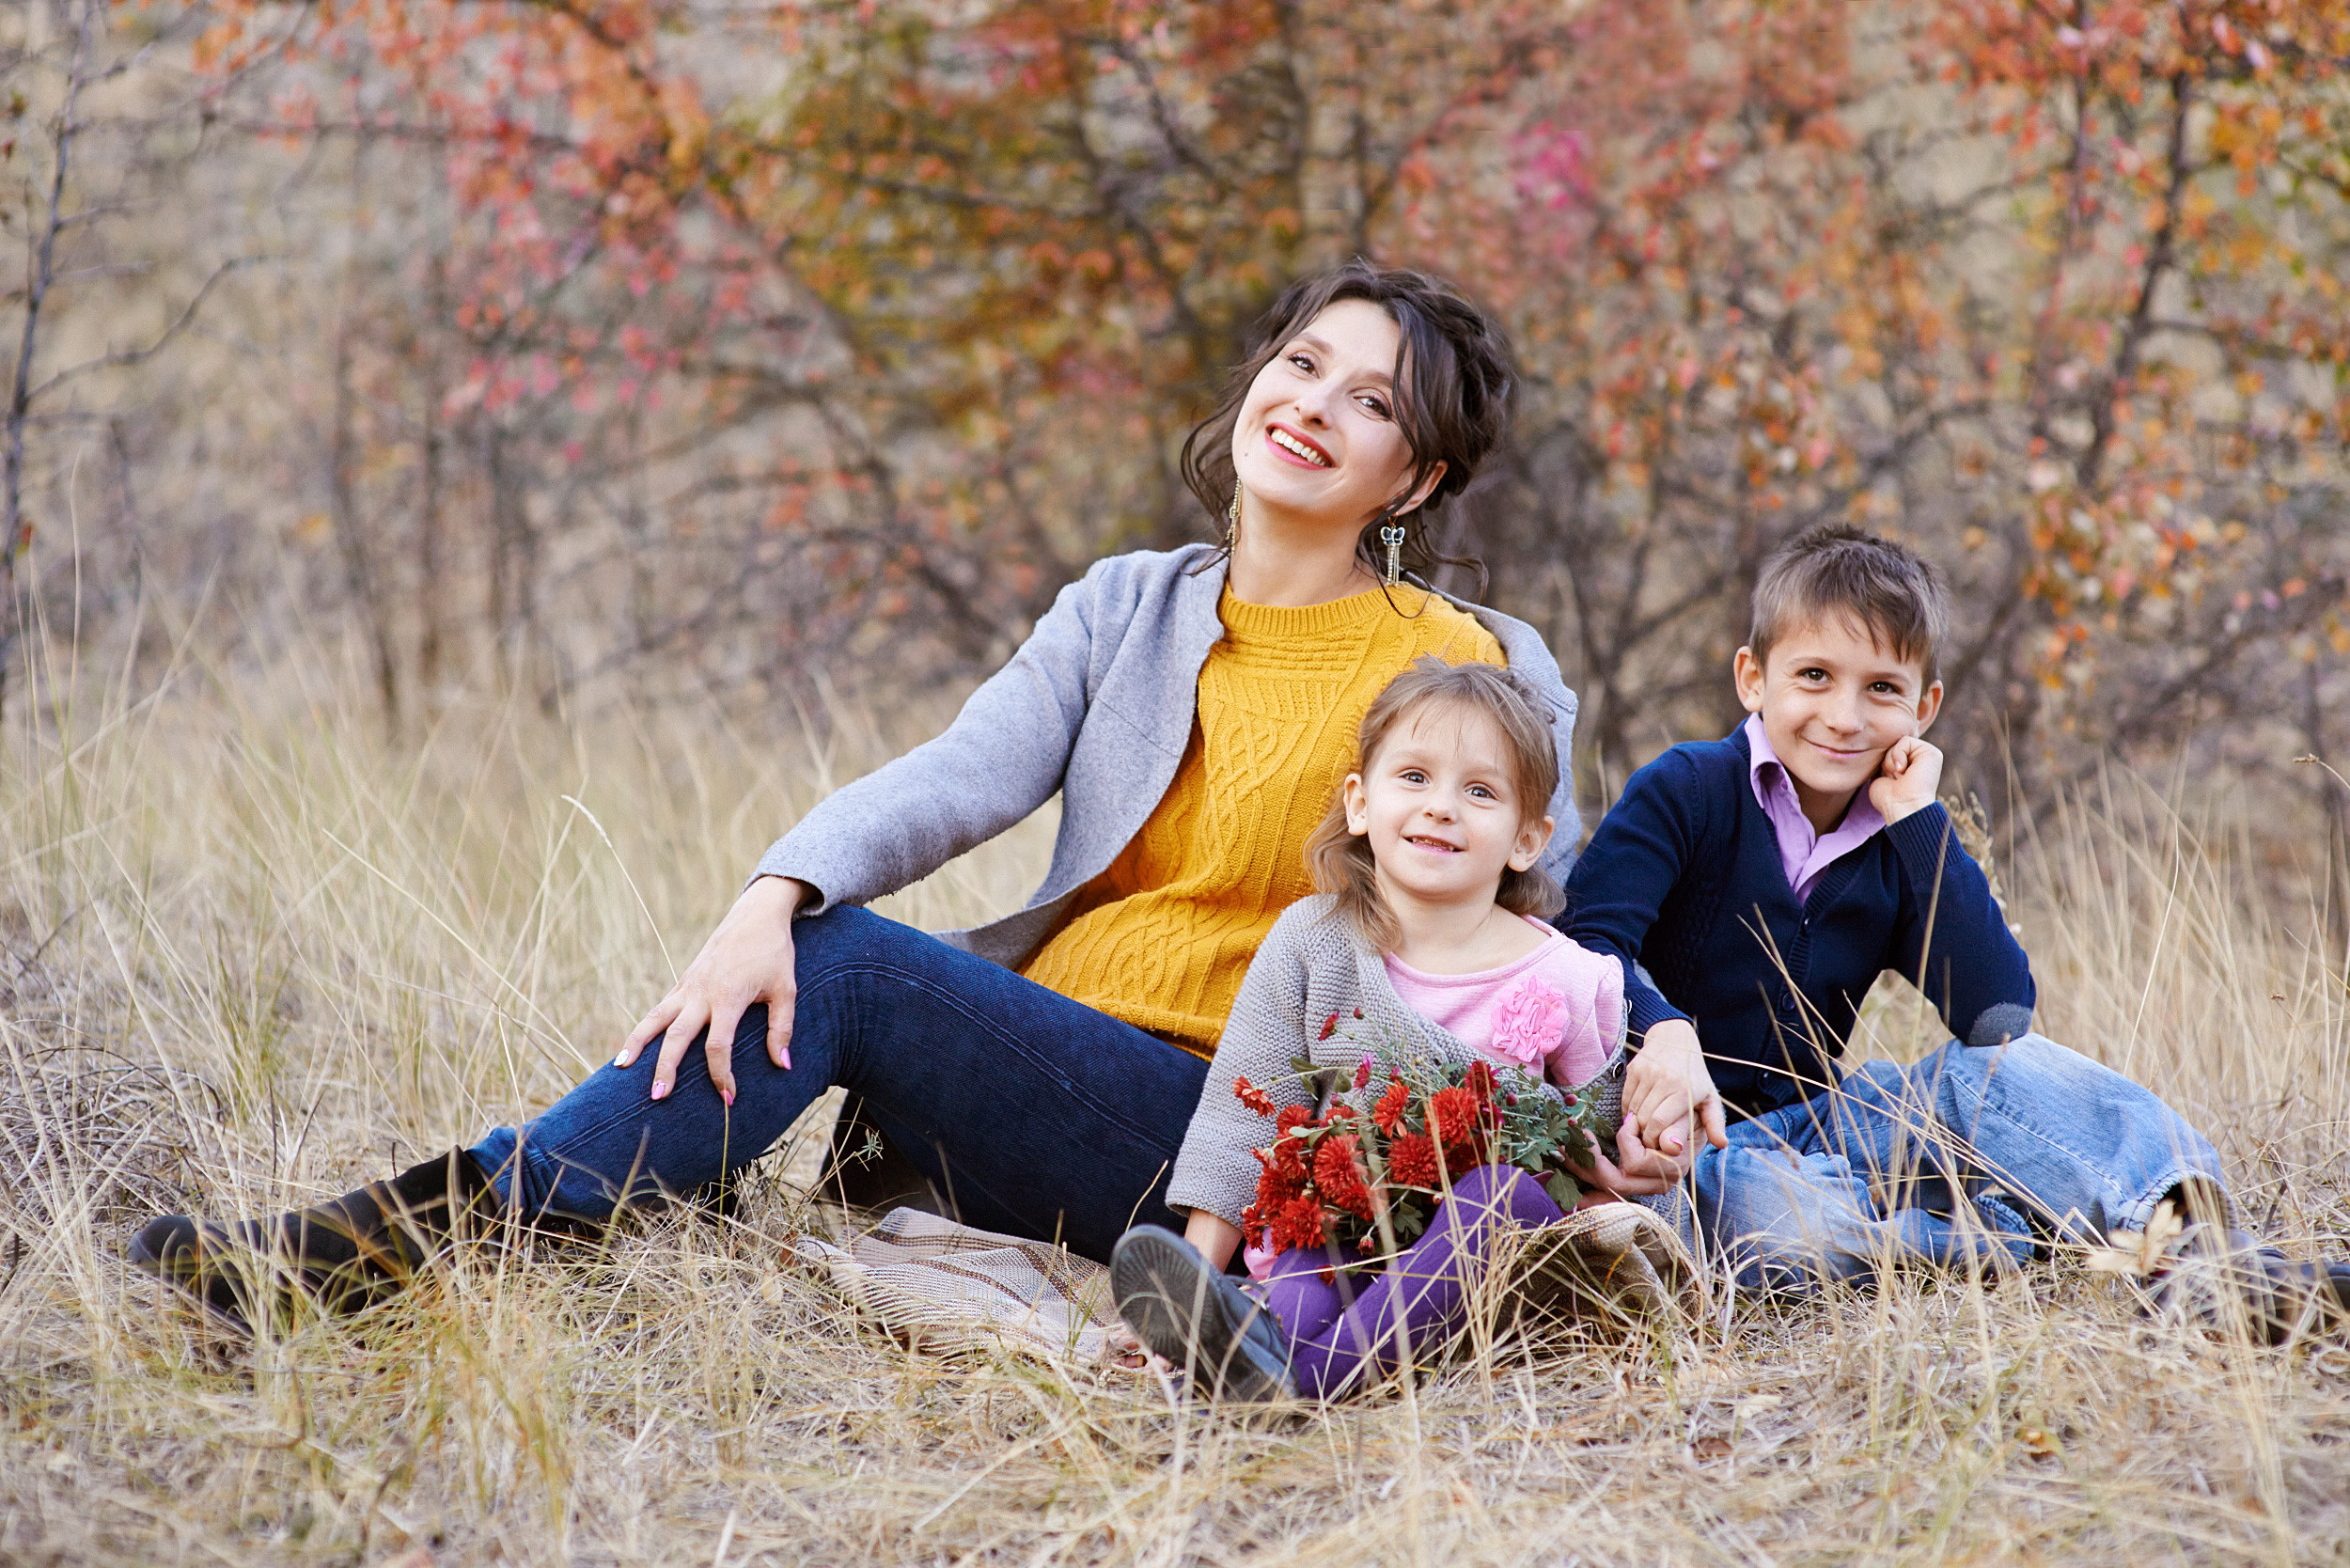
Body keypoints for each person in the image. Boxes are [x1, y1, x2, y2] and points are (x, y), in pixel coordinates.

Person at [128, 261, 1622, 1325]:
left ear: (1413, 481)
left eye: (1369, 403)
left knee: (844, 971)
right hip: (1046, 1074)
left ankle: (397, 1249)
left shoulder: (1468, 664)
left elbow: (1553, 907)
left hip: (1231, 1127)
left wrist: (1660, 1049)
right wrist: (768, 893)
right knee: (808, 950)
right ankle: (446, 1242)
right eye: (1302, 363)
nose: (1311, 406)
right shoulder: (1130, 609)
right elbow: (960, 777)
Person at [1562, 524, 2350, 1339]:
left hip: (1827, 1122)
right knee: (1782, 1225)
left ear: (1924, 706)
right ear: (1753, 678)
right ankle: (2007, 1239)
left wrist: (1921, 824)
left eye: (1881, 689)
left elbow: (1995, 1018)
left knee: (2011, 1079)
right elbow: (1586, 941)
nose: (1843, 715)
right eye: (1814, 677)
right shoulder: (1689, 788)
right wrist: (1664, 1031)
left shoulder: (1901, 838)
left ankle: (2205, 1260)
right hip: (1690, 1153)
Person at [1110, 657, 1637, 1401]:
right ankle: (1227, 1341)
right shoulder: (1312, 939)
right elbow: (1239, 1115)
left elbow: (1599, 1145)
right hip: (1350, 1229)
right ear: (1360, 802)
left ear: (1527, 838)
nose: (1441, 807)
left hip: (1481, 1262)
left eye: (1479, 791)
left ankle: (1300, 1382)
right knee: (1310, 1226)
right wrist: (1195, 1269)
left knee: (1503, 1197)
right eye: (1414, 777)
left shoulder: (1569, 978)